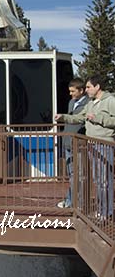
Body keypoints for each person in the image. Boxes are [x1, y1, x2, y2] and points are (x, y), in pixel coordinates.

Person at [55, 74, 115, 217]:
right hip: (92, 144)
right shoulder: (91, 103)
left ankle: (106, 212)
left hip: (104, 145)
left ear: (97, 87)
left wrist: (98, 118)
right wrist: (63, 117)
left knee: (104, 180)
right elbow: (79, 117)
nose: (86, 90)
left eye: (88, 87)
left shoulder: (110, 101)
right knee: (98, 180)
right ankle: (102, 211)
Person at [57, 78, 89, 208]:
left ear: (81, 90)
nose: (70, 94)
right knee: (72, 174)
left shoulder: (89, 103)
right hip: (68, 143)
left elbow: (80, 121)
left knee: (80, 175)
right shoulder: (71, 102)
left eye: (73, 91)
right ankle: (70, 201)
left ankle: (80, 204)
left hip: (79, 143)